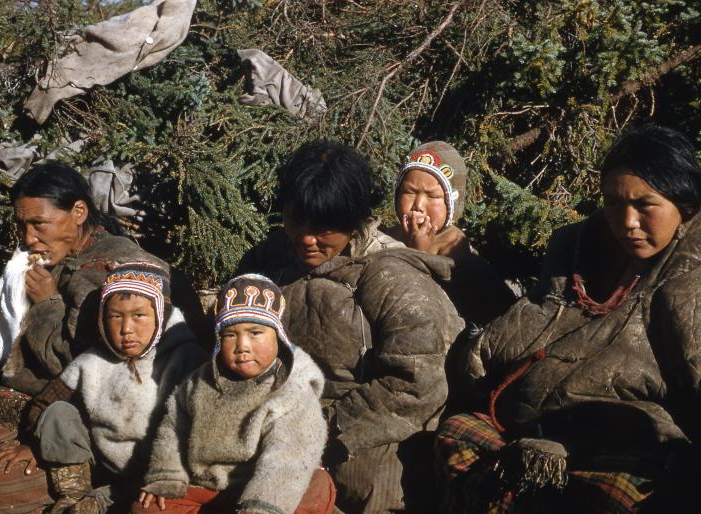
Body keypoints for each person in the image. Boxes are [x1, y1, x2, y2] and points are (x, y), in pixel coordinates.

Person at [436, 125, 701, 513]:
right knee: (459, 433)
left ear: (685, 203)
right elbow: (539, 315)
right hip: (532, 423)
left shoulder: (689, 278)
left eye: (645, 205)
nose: (627, 222)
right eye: (613, 203)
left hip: (625, 440)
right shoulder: (581, 250)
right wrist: (477, 359)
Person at [0, 162, 204, 499]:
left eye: (38, 224)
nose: (28, 238)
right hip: (48, 403)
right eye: (21, 226)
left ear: (78, 212)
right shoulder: (57, 258)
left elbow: (87, 368)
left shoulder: (107, 273)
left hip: (106, 426)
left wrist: (47, 303)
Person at [239, 140, 464, 513]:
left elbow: (417, 383)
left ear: (353, 218)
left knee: (372, 481)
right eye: (296, 220)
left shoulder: (391, 275)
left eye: (324, 227)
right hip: (276, 414)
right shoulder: (271, 258)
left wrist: (323, 432)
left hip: (363, 429)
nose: (306, 238)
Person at [0, 263, 206, 514]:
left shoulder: (186, 359)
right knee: (59, 413)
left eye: (139, 316)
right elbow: (47, 401)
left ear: (160, 317)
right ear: (103, 320)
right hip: (100, 458)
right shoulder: (93, 361)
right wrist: (33, 443)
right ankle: (73, 491)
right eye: (115, 317)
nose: (126, 329)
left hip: (159, 467)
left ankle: (105, 499)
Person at [134, 274, 333, 514]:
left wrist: (260, 507)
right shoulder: (198, 383)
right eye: (230, 335)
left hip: (269, 487)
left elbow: (286, 460)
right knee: (146, 507)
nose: (242, 346)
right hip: (206, 486)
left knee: (315, 488)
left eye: (255, 333)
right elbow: (173, 430)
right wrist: (167, 476)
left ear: (279, 338)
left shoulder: (293, 391)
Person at [385, 140, 516, 326]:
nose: (418, 206)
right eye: (410, 192)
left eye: (432, 196)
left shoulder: (457, 252)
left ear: (452, 203)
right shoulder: (384, 237)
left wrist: (418, 254)